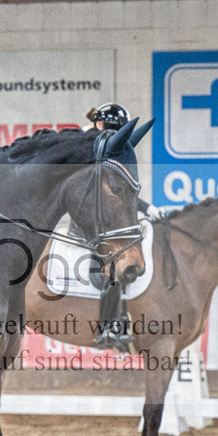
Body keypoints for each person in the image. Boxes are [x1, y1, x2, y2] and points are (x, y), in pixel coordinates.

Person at [82, 103, 164, 351]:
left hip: (104, 218)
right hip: (89, 220)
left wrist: (147, 209)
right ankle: (107, 327)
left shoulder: (108, 151)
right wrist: (146, 208)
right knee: (113, 266)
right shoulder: (91, 148)